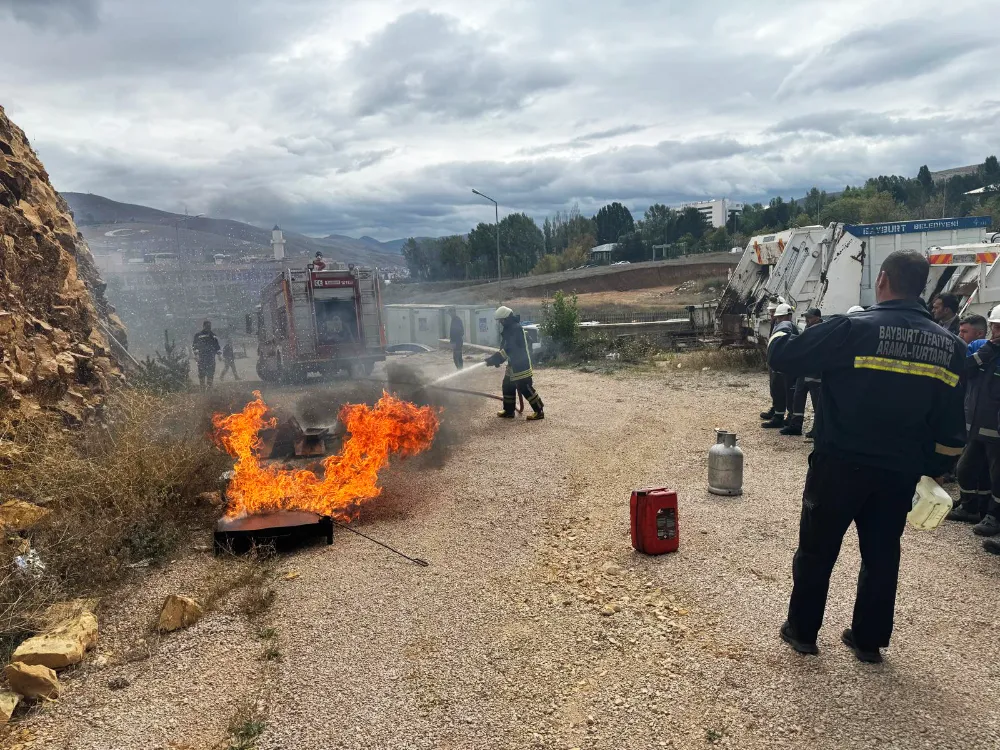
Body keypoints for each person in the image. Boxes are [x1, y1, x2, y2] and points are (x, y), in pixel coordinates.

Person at [768, 251, 965, 663]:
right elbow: (950, 427)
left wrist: (782, 327)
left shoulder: (852, 329)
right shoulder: (950, 346)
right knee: (881, 555)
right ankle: (869, 641)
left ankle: (803, 632)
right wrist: (936, 471)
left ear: (883, 281)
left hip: (839, 465)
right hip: (899, 473)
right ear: (923, 286)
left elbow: (783, 357)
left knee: (818, 550)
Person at [948, 305, 1000, 537]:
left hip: (996, 429)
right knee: (966, 468)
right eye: (995, 327)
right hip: (978, 424)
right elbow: (964, 368)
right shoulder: (985, 349)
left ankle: (993, 516)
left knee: (996, 476)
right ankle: (972, 507)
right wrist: (988, 350)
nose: (997, 332)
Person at [485, 306, 544, 420]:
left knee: (525, 387)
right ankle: (509, 411)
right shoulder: (509, 328)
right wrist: (497, 359)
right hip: (513, 364)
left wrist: (496, 358)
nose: (500, 323)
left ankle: (539, 411)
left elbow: (510, 348)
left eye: (501, 320)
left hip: (521, 364)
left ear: (507, 318)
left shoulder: (515, 328)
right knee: (507, 386)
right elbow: (505, 347)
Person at [782, 308, 823, 438]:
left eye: (809, 317)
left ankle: (818, 430)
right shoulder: (807, 328)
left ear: (817, 318)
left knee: (818, 404)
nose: (807, 320)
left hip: (815, 374)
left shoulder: (824, 329)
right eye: (806, 317)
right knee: (798, 399)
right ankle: (795, 426)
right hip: (803, 372)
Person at [761, 303, 798, 429]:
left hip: (787, 367)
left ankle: (792, 419)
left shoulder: (792, 328)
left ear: (789, 316)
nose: (778, 319)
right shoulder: (778, 326)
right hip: (777, 365)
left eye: (781, 317)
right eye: (778, 317)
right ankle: (778, 417)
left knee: (789, 393)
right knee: (777, 391)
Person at [192, 321, 222, 389]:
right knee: (202, 373)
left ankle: (209, 387)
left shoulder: (213, 335)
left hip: (211, 357)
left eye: (210, 326)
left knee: (210, 372)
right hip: (202, 357)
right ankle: (202, 388)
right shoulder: (198, 335)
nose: (209, 327)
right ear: (204, 326)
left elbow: (217, 346)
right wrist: (196, 355)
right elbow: (195, 346)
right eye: (207, 326)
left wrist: (219, 355)